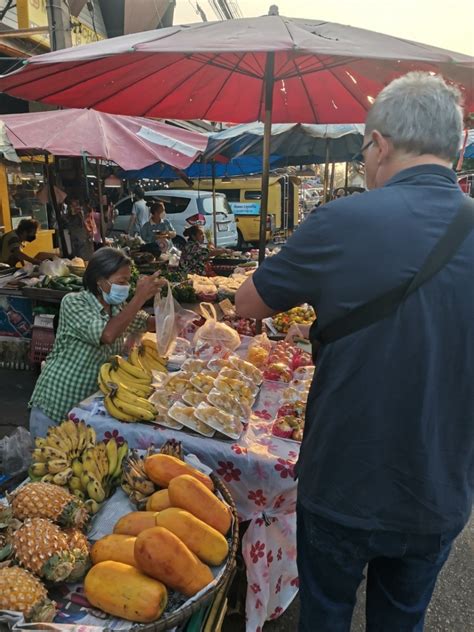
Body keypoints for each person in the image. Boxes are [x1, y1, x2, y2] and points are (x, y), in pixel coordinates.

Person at [235, 72, 474, 632]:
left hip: (342, 479)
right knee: (401, 620)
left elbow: (249, 302)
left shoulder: (341, 220)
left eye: (365, 148)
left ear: (381, 144)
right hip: (439, 488)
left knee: (325, 616)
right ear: (456, 147)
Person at [29, 247, 165, 426]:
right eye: (122, 281)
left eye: (128, 281)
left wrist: (174, 318)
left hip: (89, 406)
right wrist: (139, 298)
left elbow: (145, 322)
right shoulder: (74, 302)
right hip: (58, 402)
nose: (126, 287)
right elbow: (107, 335)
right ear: (100, 281)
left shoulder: (117, 307)